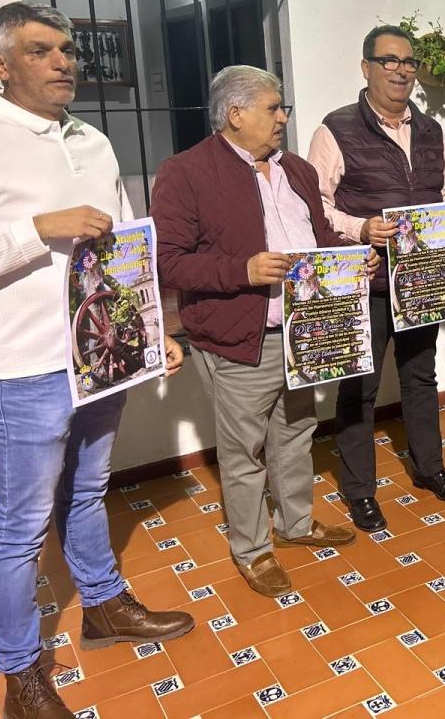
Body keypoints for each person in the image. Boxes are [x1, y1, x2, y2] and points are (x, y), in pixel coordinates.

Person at [0, 2, 192, 719]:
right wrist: (33, 230)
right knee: (19, 526)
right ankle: (19, 673)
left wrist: (150, 324)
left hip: (102, 357)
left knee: (86, 494)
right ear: (0, 64)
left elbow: (121, 249)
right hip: (24, 370)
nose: (64, 62)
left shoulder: (93, 141)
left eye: (68, 50)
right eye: (42, 51)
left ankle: (103, 606)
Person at [152, 65, 362, 598]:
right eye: (273, 108)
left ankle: (294, 526)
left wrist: (358, 261)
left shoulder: (295, 169)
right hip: (238, 339)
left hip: (302, 333)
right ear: (235, 113)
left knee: (295, 434)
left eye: (282, 107)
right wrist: (240, 270)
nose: (283, 118)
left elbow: (317, 237)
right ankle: (252, 550)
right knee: (243, 453)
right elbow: (168, 263)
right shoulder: (186, 172)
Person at [307, 25, 445, 532]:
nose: (401, 70)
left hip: (422, 279)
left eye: (408, 62)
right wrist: (361, 229)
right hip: (366, 279)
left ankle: (429, 468)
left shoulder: (430, 131)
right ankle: (359, 490)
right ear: (366, 68)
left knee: (421, 376)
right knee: (360, 386)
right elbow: (316, 207)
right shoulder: (335, 130)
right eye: (389, 61)